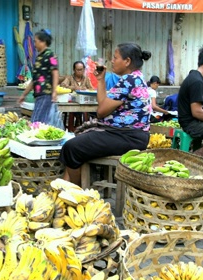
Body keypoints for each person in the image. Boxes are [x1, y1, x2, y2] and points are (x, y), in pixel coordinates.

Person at [60, 43, 151, 186]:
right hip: (131, 135)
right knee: (78, 143)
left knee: (71, 147)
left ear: (127, 61)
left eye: (115, 58)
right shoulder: (137, 78)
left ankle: (74, 192)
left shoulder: (128, 80)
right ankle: (62, 188)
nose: (112, 61)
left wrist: (101, 84)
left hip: (127, 136)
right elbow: (103, 106)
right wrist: (101, 80)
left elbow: (101, 112)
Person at [18, 29, 59, 124]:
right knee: (38, 122)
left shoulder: (50, 55)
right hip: (39, 95)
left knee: (36, 122)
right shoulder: (38, 57)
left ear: (43, 42)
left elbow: (55, 72)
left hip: (46, 94)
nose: (34, 44)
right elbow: (34, 80)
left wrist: (54, 91)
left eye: (35, 41)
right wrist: (24, 94)